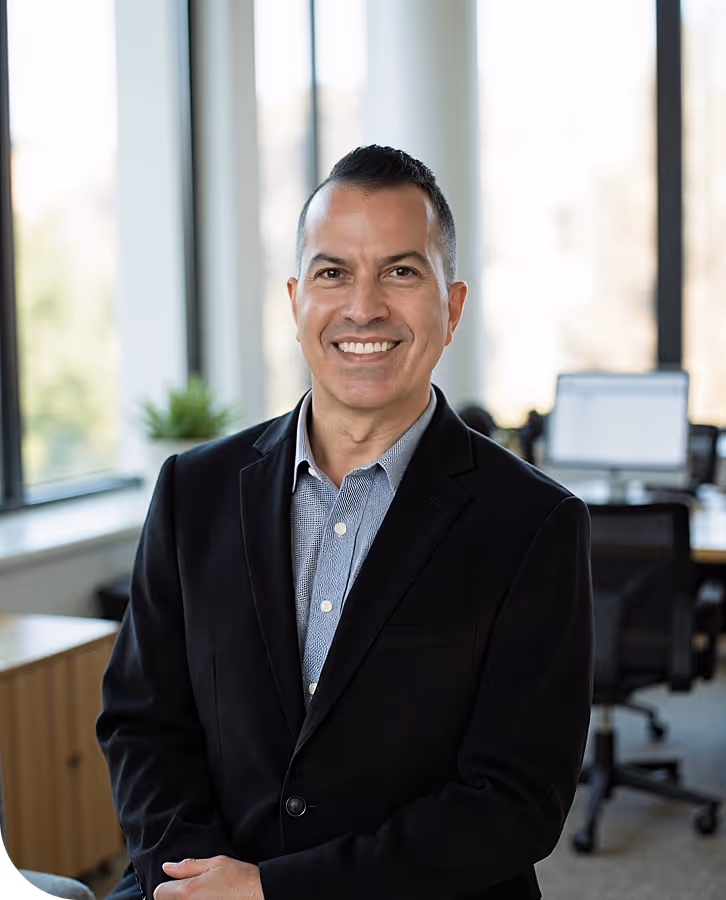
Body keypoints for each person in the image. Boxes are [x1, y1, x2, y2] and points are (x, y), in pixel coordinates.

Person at [97, 145, 593, 900]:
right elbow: (143, 721)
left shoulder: (534, 524)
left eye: (401, 271)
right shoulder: (191, 492)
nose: (364, 307)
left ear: (451, 308)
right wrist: (194, 878)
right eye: (333, 274)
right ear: (297, 302)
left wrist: (275, 891)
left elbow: (513, 804)